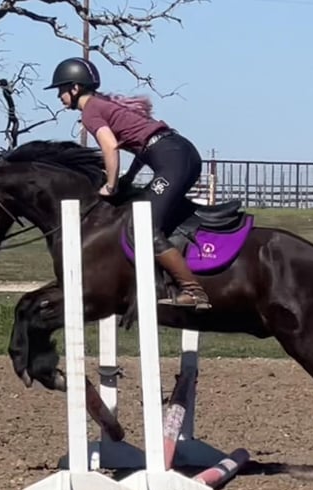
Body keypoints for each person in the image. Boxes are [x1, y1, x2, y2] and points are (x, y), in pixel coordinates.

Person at [44, 57, 211, 310]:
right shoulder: (103, 104)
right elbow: (143, 145)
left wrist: (110, 186)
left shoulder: (91, 111)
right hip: (180, 153)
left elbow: (111, 147)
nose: (59, 96)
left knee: (141, 226)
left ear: (75, 88)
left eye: (61, 89)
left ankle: (193, 291)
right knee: (151, 212)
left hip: (173, 159)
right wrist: (129, 178)